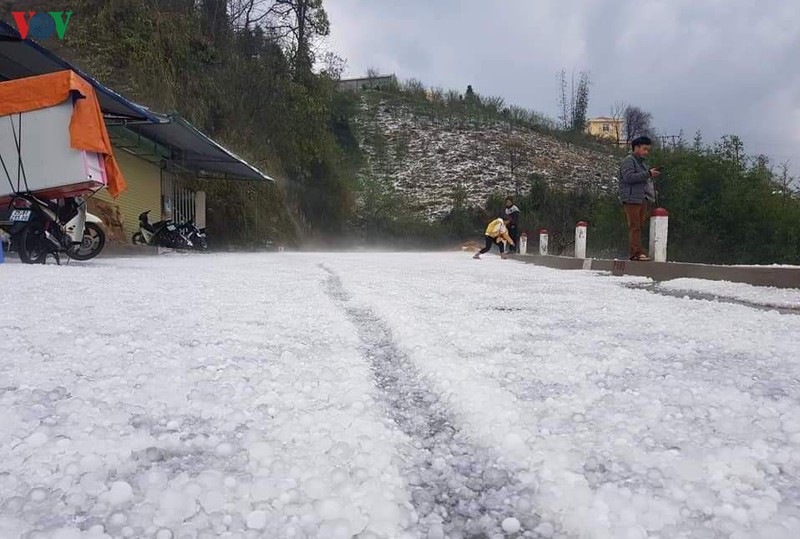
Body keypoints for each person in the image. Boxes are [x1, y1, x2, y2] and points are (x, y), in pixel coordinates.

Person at [619, 136, 661, 261]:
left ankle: (638, 250)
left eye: (648, 150)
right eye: (644, 149)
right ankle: (636, 253)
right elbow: (629, 177)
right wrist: (648, 174)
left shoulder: (641, 163)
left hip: (641, 198)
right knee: (635, 226)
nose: (646, 152)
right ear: (636, 147)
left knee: (639, 226)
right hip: (631, 198)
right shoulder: (629, 161)